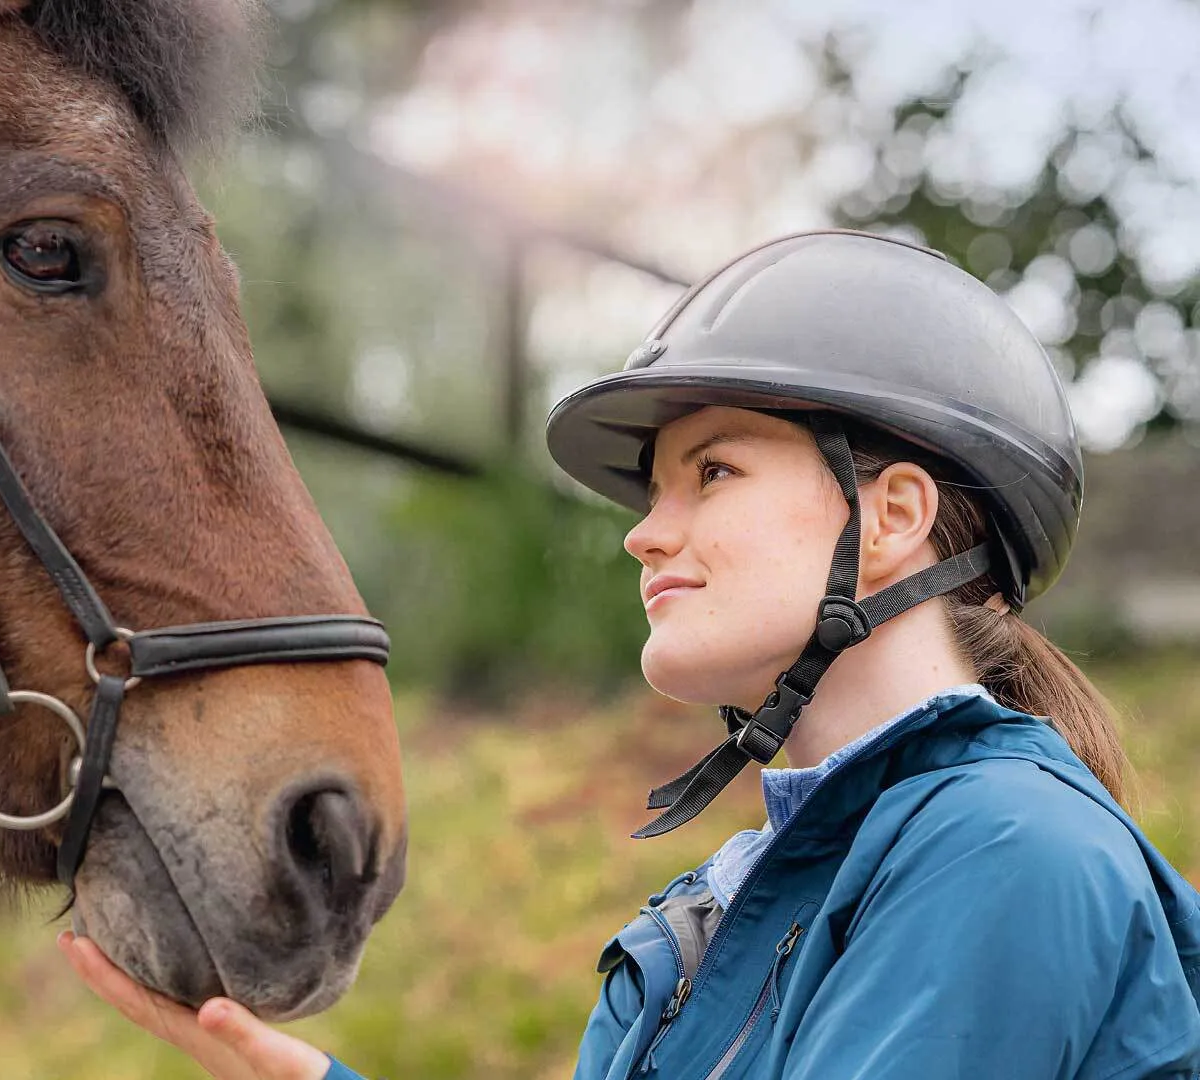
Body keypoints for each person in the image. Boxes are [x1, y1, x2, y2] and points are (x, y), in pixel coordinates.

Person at [58, 229, 1200, 1079]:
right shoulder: (739, 899)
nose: (644, 532)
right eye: (654, 490)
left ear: (895, 517)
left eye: (713, 472)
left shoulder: (1005, 850)